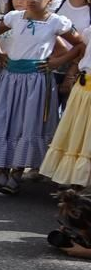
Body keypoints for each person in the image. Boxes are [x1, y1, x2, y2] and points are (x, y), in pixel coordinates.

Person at [0, 0, 83, 195]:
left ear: (49, 0)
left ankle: (16, 175)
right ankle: (1, 171)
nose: (30, 0)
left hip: (36, 80)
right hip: (10, 78)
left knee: (27, 123)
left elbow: (79, 44)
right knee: (6, 121)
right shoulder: (15, 17)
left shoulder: (56, 22)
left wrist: (57, 62)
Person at [41, 13, 91, 188]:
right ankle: (75, 182)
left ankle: (83, 185)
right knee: (77, 135)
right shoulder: (89, 31)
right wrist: (70, 73)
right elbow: (81, 51)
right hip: (83, 88)